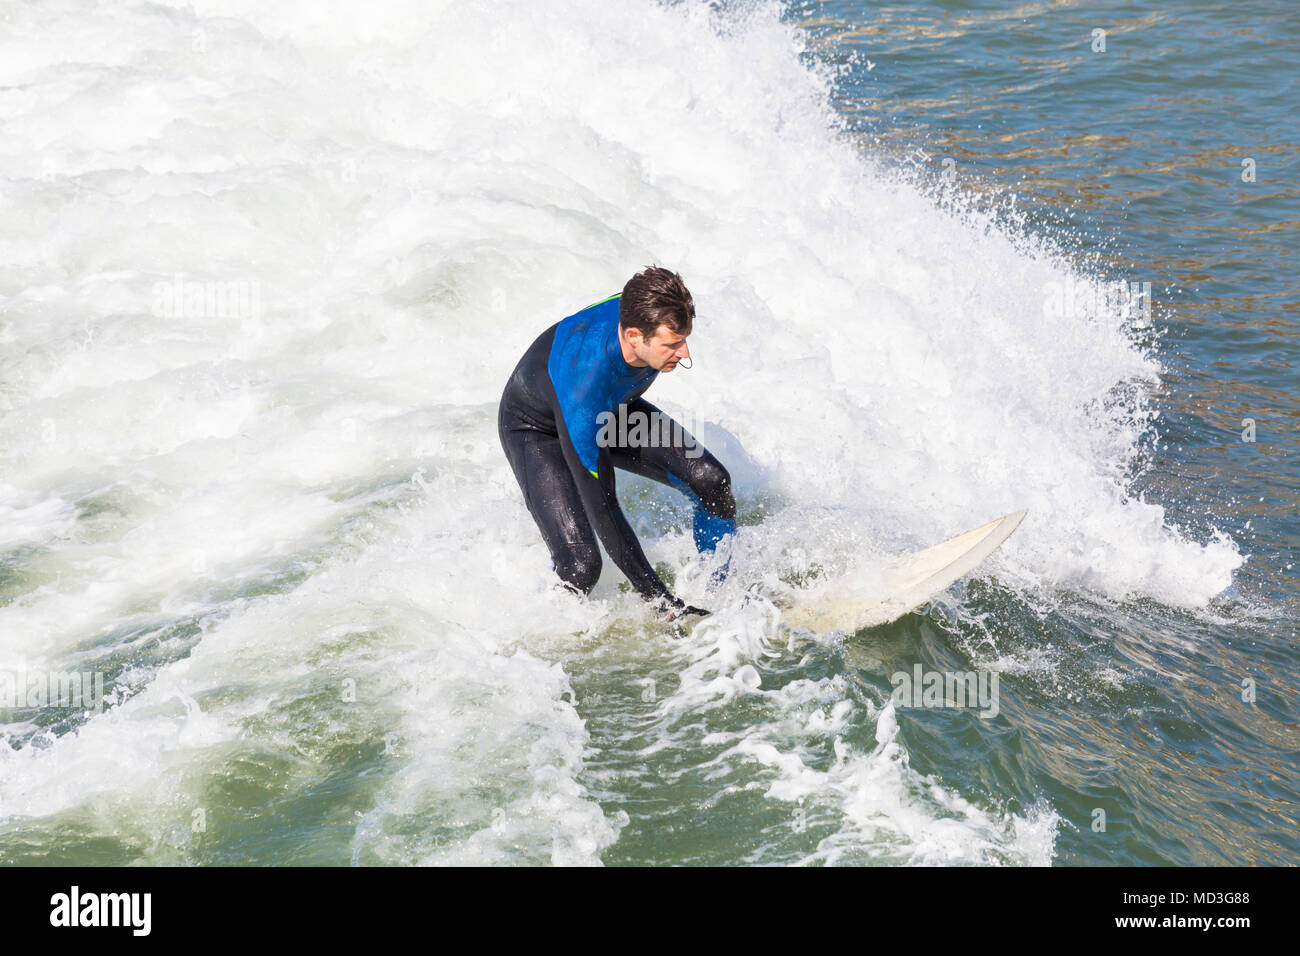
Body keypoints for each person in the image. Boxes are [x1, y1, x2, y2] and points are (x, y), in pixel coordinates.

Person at [497, 266, 736, 622]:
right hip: (536, 429)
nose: (684, 353)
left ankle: (720, 596)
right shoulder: (585, 392)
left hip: (612, 405)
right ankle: (537, 630)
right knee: (581, 567)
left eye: (684, 339)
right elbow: (604, 510)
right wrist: (661, 601)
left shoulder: (643, 306)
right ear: (635, 337)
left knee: (712, 482)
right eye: (672, 344)